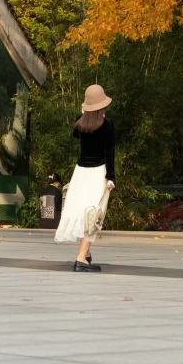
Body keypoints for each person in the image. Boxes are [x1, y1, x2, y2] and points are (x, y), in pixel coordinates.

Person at [55, 84, 115, 272]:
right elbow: (110, 153)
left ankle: (86, 255)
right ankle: (81, 259)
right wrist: (111, 178)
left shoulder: (80, 124)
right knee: (94, 215)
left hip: (80, 173)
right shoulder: (107, 125)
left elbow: (75, 134)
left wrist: (81, 115)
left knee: (84, 213)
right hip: (98, 173)